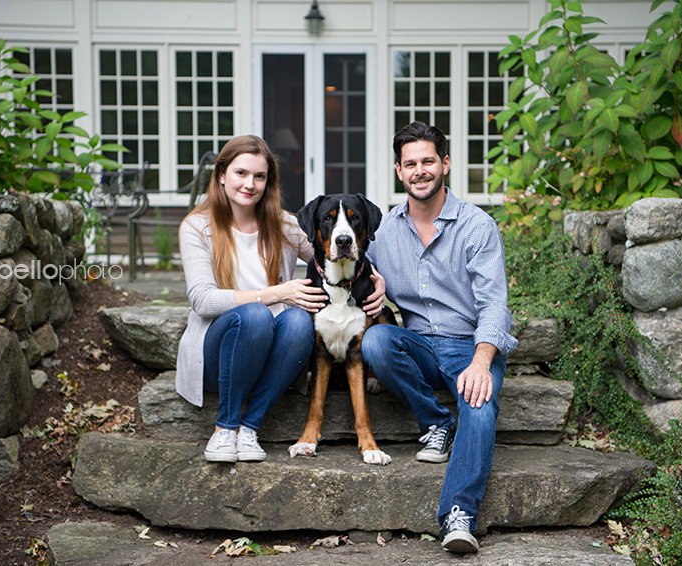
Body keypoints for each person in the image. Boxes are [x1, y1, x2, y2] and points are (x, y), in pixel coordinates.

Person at [361, 122, 518, 554]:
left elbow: (494, 306)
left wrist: (483, 361)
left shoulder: (477, 226)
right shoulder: (384, 231)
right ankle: (436, 421)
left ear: (445, 164)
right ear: (398, 171)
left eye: (428, 161)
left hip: (469, 345)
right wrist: (370, 286)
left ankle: (458, 513)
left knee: (480, 407)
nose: (420, 171)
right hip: (417, 345)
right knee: (375, 343)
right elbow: (355, 272)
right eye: (410, 163)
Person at [174, 135, 330, 464]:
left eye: (260, 177)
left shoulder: (285, 225)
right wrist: (274, 293)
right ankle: (224, 428)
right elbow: (202, 300)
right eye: (241, 173)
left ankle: (249, 428)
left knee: (300, 319)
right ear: (221, 175)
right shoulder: (197, 227)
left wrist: (377, 279)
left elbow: (331, 255)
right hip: (219, 354)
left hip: (275, 355)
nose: (250, 184)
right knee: (256, 314)